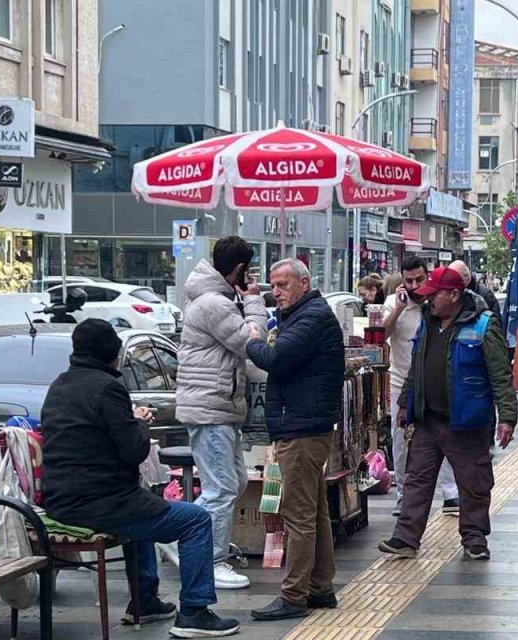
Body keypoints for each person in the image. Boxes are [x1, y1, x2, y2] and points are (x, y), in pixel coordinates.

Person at [41, 319, 240, 637]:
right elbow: (133, 450)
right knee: (196, 520)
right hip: (100, 503)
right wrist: (138, 422)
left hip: (59, 499)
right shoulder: (109, 388)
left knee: (147, 506)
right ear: (114, 354)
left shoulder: (59, 385)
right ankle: (194, 611)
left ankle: (145, 602)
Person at [379, 267, 518, 562]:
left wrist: (507, 417)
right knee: (417, 480)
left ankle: (475, 538)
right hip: (428, 419)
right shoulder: (428, 323)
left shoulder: (483, 325)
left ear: (454, 295)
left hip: (466, 421)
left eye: (435, 294)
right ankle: (405, 538)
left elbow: (500, 375)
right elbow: (416, 367)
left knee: (473, 482)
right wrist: (406, 402)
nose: (428, 300)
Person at [245, 259, 345, 621]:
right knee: (314, 512)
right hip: (306, 425)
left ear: (304, 283)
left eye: (283, 285)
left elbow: (276, 357)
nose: (277, 292)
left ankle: (294, 595)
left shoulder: (311, 317)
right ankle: (320, 587)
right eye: (273, 285)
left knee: (298, 514)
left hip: (302, 429)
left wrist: (251, 341)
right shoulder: (304, 314)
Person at [176, 237, 269, 590]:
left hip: (219, 406)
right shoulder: (215, 303)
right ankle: (210, 559)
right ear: (241, 269)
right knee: (221, 487)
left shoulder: (216, 298)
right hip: (210, 407)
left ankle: (181, 536)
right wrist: (255, 302)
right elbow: (250, 343)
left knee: (234, 482)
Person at [384, 257, 460, 517]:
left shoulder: (436, 304)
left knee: (446, 435)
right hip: (400, 383)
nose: (415, 285)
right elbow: (379, 335)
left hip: (434, 384)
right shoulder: (395, 304)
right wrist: (397, 308)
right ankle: (403, 495)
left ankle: (451, 493)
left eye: (420, 279)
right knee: (401, 441)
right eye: (409, 280)